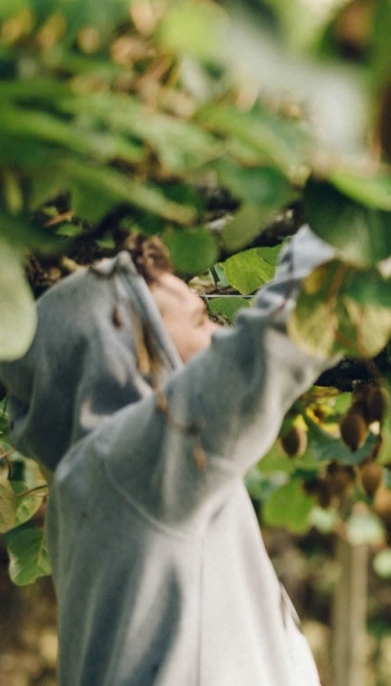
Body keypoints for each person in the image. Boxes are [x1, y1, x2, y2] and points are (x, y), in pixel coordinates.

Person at [0, 229, 338, 686]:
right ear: (132, 350)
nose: (221, 333)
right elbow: (268, 350)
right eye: (199, 321)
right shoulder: (128, 468)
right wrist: (345, 225)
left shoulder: (93, 486)